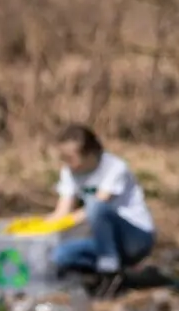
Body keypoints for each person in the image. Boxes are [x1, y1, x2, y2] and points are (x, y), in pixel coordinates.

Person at [46, 124, 155, 292]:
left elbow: (96, 206)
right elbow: (62, 213)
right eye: (63, 157)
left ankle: (109, 270)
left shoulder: (115, 168)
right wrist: (35, 229)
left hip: (135, 236)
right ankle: (97, 276)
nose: (67, 162)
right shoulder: (69, 173)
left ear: (89, 153)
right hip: (104, 241)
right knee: (59, 255)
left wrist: (68, 221)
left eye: (70, 157)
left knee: (96, 207)